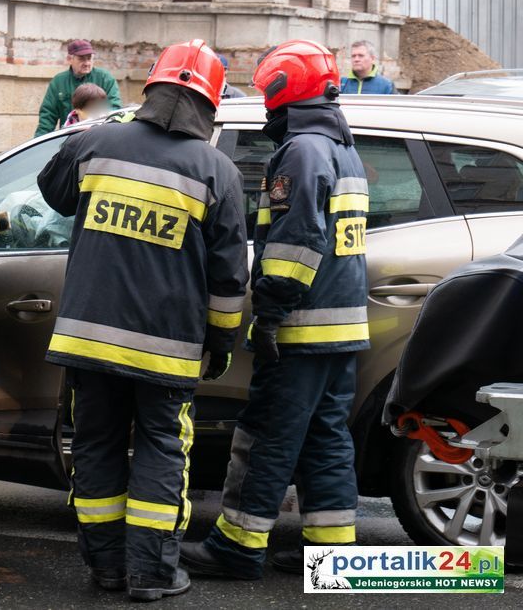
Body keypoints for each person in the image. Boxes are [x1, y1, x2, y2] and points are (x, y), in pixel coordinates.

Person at [37, 40, 249, 601]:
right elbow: (229, 279)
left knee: (97, 445)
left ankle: (106, 568)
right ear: (210, 104)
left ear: (151, 88)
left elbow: (52, 191)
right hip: (167, 348)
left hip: (89, 341)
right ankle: (152, 575)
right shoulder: (217, 171)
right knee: (160, 449)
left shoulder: (99, 142)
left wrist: (100, 128)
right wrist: (221, 343)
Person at [179, 40, 370, 580]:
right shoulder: (342, 147)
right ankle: (334, 560)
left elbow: (297, 240)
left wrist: (270, 311)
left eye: (268, 91)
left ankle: (237, 546)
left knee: (266, 432)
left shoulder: (303, 150)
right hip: (341, 324)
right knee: (325, 436)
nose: (264, 102)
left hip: (303, 325)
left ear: (286, 89)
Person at [35, 39, 122, 136]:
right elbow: (47, 116)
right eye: (81, 59)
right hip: (69, 138)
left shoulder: (105, 78)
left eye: (89, 58)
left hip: (99, 136)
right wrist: (37, 144)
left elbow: (115, 109)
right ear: (69, 59)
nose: (87, 63)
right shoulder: (59, 82)